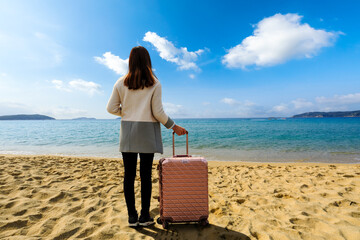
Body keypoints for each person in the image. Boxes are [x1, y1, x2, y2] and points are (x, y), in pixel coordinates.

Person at [106, 46, 187, 227]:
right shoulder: (154, 83)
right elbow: (158, 112)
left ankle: (132, 218)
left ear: (130, 61)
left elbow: (110, 108)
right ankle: (145, 217)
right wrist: (173, 126)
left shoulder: (120, 82)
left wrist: (126, 113)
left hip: (128, 133)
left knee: (128, 176)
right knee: (145, 176)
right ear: (147, 61)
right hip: (147, 133)